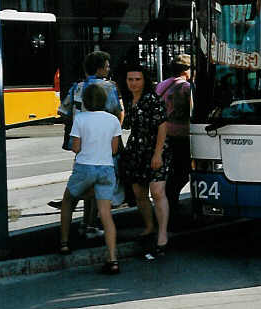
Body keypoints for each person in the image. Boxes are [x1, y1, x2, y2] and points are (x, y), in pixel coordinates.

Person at [53, 51, 125, 237]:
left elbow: (63, 111)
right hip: (103, 145)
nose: (108, 69)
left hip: (81, 144)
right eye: (107, 66)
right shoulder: (109, 87)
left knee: (82, 182)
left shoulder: (77, 87)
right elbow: (118, 112)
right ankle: (90, 224)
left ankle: (77, 229)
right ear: (100, 68)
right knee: (98, 188)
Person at [58, 83, 123, 274]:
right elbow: (114, 149)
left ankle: (64, 243)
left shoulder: (81, 119)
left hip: (85, 167)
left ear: (85, 101)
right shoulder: (113, 120)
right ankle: (112, 259)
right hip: (106, 168)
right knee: (105, 214)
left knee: (68, 201)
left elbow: (76, 147)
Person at [120, 66, 172, 256]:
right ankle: (150, 227)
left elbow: (162, 126)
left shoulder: (152, 99)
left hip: (155, 148)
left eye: (137, 79)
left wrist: (157, 154)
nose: (133, 83)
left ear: (144, 81)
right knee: (138, 191)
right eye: (130, 79)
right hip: (136, 149)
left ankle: (163, 234)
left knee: (157, 191)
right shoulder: (128, 100)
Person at [156, 54, 192, 223]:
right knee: (183, 171)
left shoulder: (162, 85)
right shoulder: (185, 87)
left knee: (171, 170)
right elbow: (191, 110)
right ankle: (172, 202)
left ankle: (169, 202)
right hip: (182, 134)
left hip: (164, 134)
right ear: (186, 70)